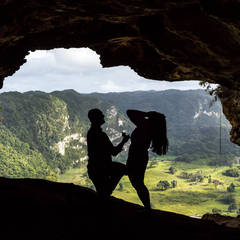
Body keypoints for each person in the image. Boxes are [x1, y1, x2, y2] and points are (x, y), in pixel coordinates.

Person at [126, 109, 168, 210]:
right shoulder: (152, 127)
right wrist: (153, 116)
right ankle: (147, 207)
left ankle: (147, 207)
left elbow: (129, 112)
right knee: (138, 182)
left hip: (136, 156)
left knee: (137, 182)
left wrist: (148, 114)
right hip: (141, 156)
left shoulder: (145, 125)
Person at [87, 108, 130, 199]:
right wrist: (123, 141)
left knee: (103, 193)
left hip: (94, 168)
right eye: (101, 115)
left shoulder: (90, 133)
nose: (103, 116)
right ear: (96, 118)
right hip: (102, 168)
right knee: (122, 170)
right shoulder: (101, 135)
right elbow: (114, 152)